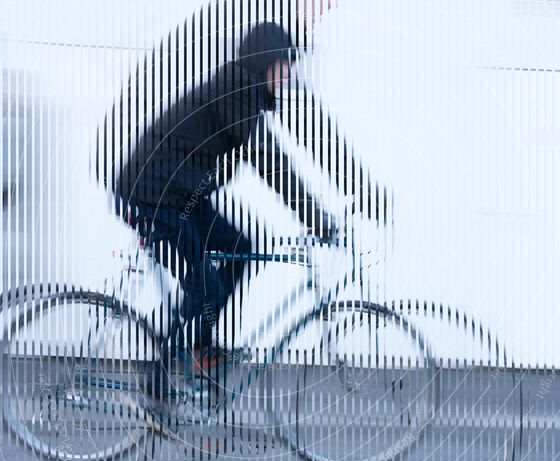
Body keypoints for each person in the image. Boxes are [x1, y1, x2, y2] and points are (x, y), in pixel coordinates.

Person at [99, 15, 378, 387]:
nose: (288, 75)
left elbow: (274, 153)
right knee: (206, 285)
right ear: (263, 60)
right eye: (283, 65)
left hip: (177, 194)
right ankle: (160, 381)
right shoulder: (233, 91)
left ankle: (197, 349)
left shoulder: (242, 96)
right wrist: (317, 219)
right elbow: (271, 164)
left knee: (237, 247)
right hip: (151, 195)